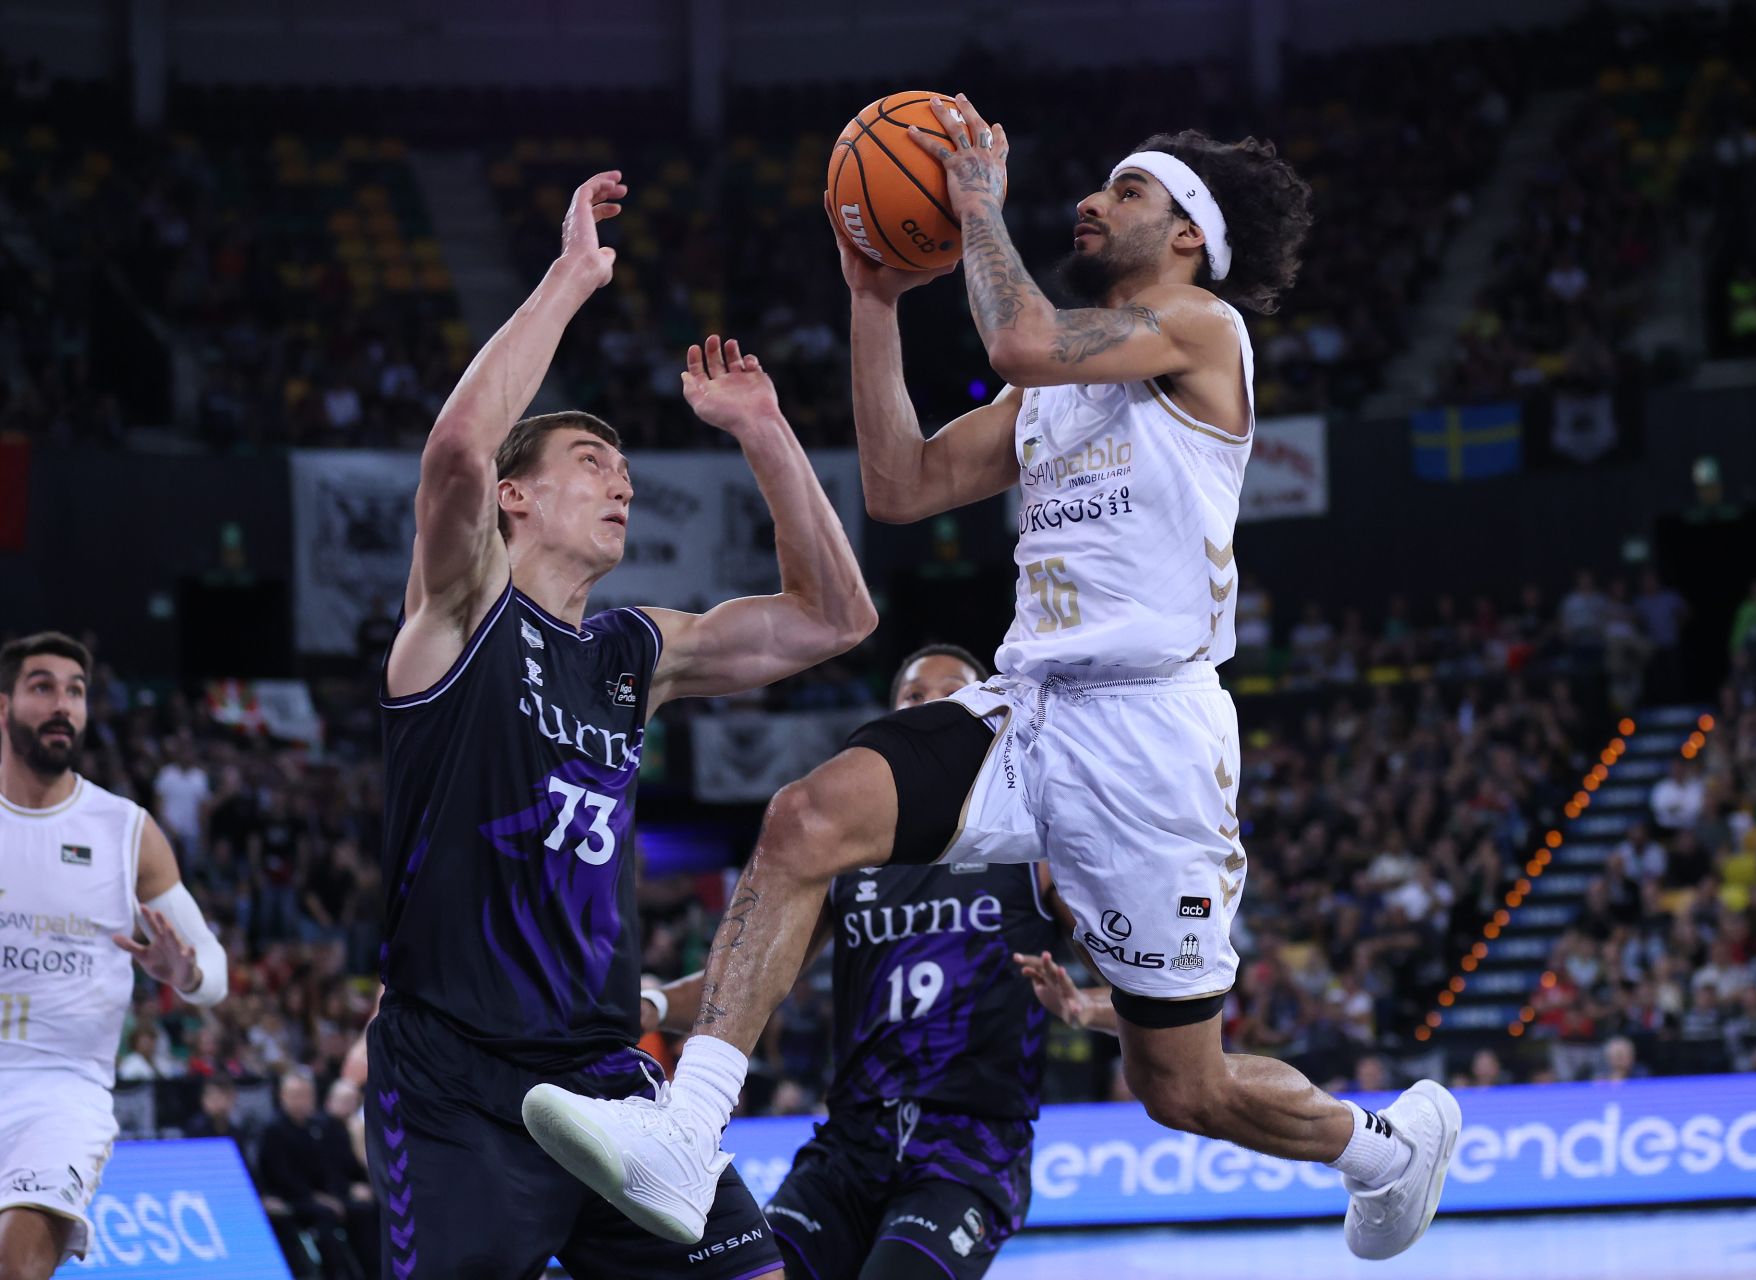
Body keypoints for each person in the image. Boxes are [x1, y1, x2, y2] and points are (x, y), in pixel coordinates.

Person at [528, 106, 1459, 1263]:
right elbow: (901, 484)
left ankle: (1383, 1146)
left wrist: (974, 208)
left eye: (1128, 191)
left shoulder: (1204, 330)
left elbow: (1018, 335)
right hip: (1032, 707)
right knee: (805, 817)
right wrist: (874, 302)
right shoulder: (1049, 392)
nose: (1095, 201)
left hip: (1153, 738)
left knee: (1184, 1085)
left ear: (1185, 236)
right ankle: (688, 1124)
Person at [366, 170, 872, 1280]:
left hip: (605, 1080)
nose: (622, 485)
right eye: (591, 463)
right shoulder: (459, 618)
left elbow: (836, 616)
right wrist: (570, 278)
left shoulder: (630, 653)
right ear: (516, 497)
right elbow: (454, 450)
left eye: (628, 471)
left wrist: (768, 430)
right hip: (458, 1078)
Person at [644, 645, 1075, 1279]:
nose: (931, 705)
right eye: (913, 696)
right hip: (851, 1143)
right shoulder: (846, 859)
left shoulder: (1032, 846)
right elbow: (748, 980)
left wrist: (1092, 1006)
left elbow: (1122, 952)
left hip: (968, 1147)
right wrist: (650, 1004)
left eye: (952, 695)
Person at [0, 633, 229, 1279]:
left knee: (16, 1264)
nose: (63, 705)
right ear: (4, 706)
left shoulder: (125, 829)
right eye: (42, 686)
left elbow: (213, 970)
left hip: (61, 1091)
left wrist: (184, 973)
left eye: (75, 691)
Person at [255, 1070, 376, 1280]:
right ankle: (335, 1274)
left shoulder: (318, 1126)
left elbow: (330, 1167)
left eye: (306, 1094)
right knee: (325, 1217)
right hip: (292, 1199)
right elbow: (280, 1176)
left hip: (325, 1196)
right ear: (282, 1096)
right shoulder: (273, 1130)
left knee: (365, 1210)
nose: (302, 1101)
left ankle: (374, 1271)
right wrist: (315, 1197)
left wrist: (345, 1189)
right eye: (295, 1095)